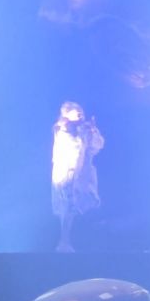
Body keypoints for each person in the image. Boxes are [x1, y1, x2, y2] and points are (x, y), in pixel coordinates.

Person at [51, 101, 104, 252]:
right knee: (68, 206)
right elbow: (71, 146)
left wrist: (92, 132)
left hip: (83, 175)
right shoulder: (62, 129)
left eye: (81, 111)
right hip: (67, 173)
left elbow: (96, 147)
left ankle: (83, 242)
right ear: (66, 114)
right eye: (75, 111)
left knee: (85, 205)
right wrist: (77, 131)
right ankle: (64, 241)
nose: (80, 113)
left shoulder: (85, 130)